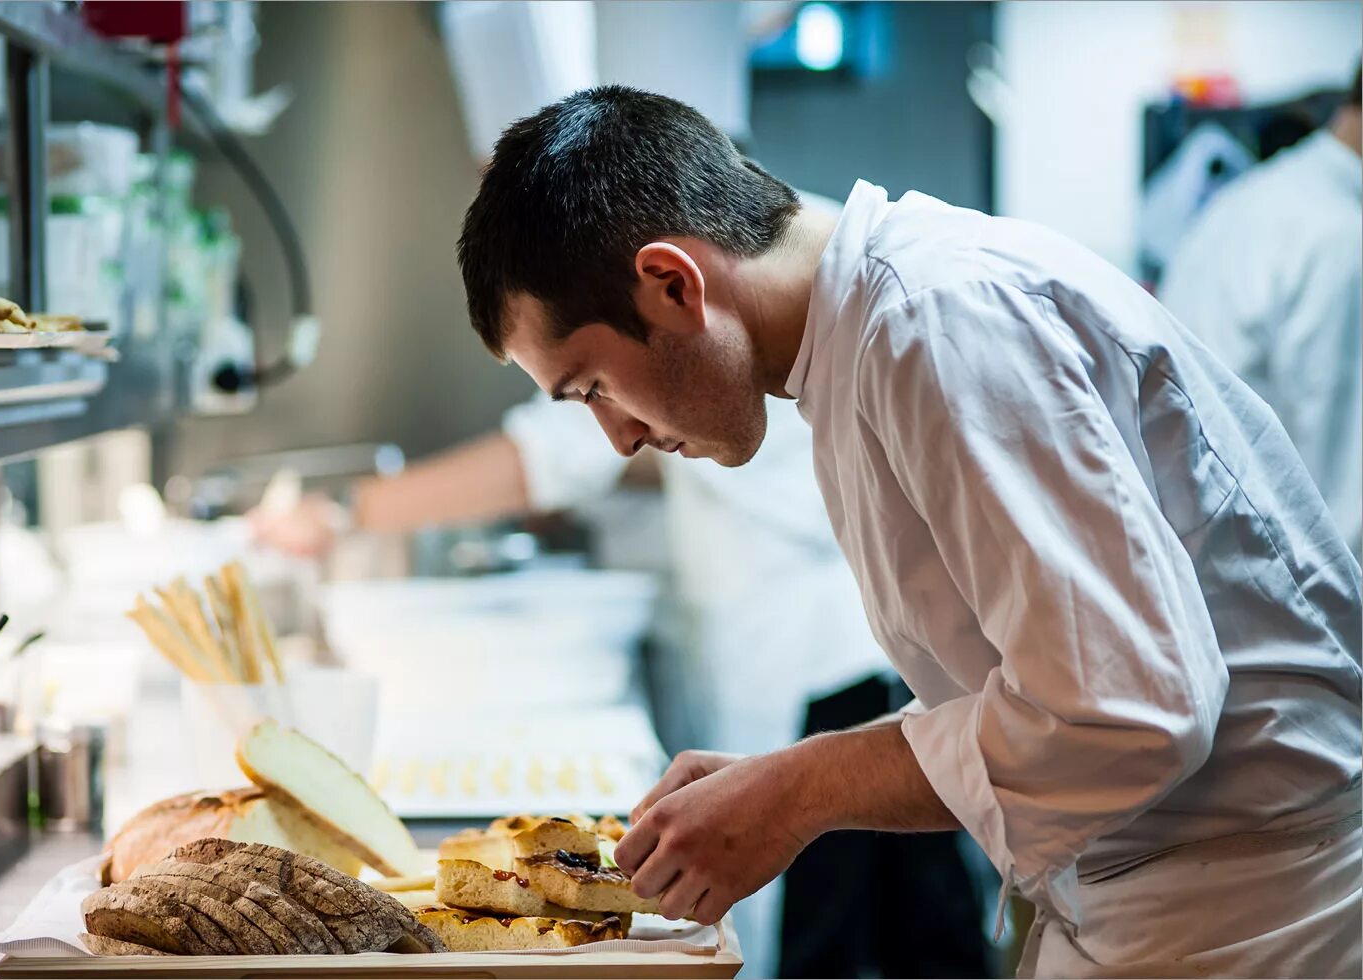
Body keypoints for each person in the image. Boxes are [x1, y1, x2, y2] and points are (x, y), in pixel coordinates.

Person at [453, 85, 1362, 978]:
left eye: (591, 388)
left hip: (1255, 913)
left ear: (670, 284)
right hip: (1178, 888)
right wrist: (780, 782)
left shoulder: (937, 320)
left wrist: (803, 790)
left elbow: (1126, 709)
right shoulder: (855, 344)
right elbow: (1045, 679)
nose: (615, 436)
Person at [250, 308, 993, 977]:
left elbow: (554, 454)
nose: (617, 428)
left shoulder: (688, 305)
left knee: (853, 938)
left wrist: (347, 511)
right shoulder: (757, 308)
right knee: (908, 927)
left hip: (820, 669)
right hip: (827, 660)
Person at [1160, 67, 1363, 556]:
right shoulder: (1339, 236)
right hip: (1274, 579)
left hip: (1197, 551)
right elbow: (1342, 498)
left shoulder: (1253, 198)